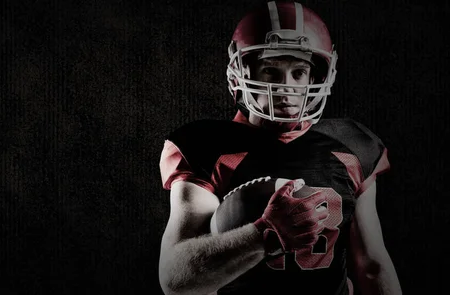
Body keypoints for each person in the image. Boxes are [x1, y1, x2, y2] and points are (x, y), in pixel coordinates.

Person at [157, 1, 402, 295]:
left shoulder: (351, 144)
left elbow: (372, 266)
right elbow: (176, 278)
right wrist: (263, 234)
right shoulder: (207, 146)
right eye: (271, 71)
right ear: (241, 72)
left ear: (317, 76)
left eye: (299, 72)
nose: (286, 87)